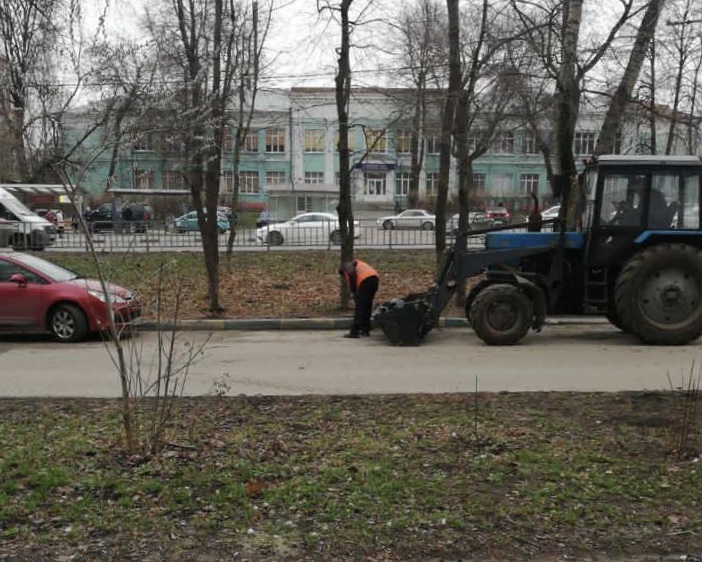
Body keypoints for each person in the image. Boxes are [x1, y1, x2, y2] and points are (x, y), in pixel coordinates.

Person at [339, 259, 380, 339]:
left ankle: (354, 332)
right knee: (367, 305)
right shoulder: (357, 263)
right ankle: (365, 329)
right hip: (374, 279)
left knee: (360, 307)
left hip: (365, 282)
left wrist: (354, 292)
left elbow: (352, 275)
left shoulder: (346, 268)